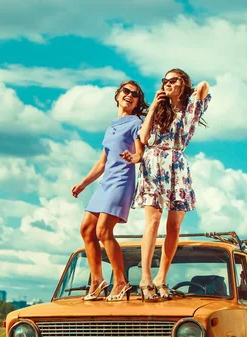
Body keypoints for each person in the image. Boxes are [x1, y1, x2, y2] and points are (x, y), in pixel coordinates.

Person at [129, 68, 211, 302]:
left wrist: (186, 92)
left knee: (174, 226)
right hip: (153, 162)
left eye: (171, 80)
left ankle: (161, 277)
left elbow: (205, 84)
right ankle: (145, 277)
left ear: (182, 84)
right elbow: (143, 139)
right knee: (153, 221)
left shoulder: (191, 108)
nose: (166, 83)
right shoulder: (158, 111)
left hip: (177, 165)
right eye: (164, 80)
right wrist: (154, 106)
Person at [71, 80, 148, 301]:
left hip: (122, 182)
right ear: (117, 95)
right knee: (87, 229)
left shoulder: (136, 123)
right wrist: (84, 183)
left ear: (136, 102)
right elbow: (102, 162)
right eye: (126, 91)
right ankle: (97, 282)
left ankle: (121, 281)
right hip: (105, 183)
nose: (130, 96)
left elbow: (140, 153)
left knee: (103, 231)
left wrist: (135, 157)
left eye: (135, 95)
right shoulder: (111, 126)